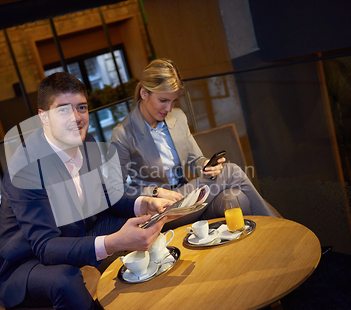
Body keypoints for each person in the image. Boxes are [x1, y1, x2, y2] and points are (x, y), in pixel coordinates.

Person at [0, 72, 172, 310]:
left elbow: (104, 198)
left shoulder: (88, 143)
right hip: (24, 262)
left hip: (74, 231)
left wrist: (143, 203)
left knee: (144, 222)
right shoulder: (25, 169)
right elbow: (45, 247)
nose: (76, 118)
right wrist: (113, 242)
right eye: (63, 110)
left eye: (81, 107)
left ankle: (160, 309)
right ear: (44, 117)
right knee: (65, 280)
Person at [107, 58, 277, 229]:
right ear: (144, 94)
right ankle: (276, 227)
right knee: (231, 172)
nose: (168, 109)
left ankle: (258, 248)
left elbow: (195, 161)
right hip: (160, 211)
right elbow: (115, 191)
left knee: (237, 198)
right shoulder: (123, 134)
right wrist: (155, 192)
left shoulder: (178, 117)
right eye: (163, 100)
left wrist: (206, 166)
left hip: (188, 198)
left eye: (173, 101)